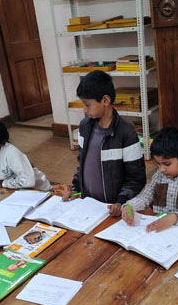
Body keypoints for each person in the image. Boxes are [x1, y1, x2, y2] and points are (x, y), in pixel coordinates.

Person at [62, 71, 146, 216]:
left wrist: (121, 201)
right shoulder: (84, 127)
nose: (84, 110)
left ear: (105, 100)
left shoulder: (126, 133)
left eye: (87, 104)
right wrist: (75, 188)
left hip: (112, 209)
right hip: (88, 205)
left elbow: (136, 178)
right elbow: (82, 164)